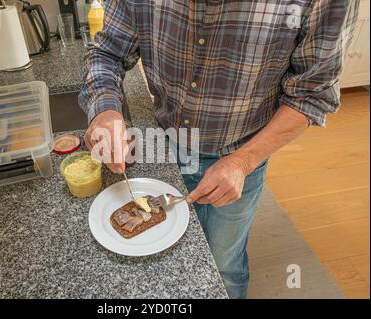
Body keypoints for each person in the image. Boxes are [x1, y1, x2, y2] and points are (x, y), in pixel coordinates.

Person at [79, 0, 358, 298]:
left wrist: (243, 162)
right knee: (166, 259)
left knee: (223, 265)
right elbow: (107, 52)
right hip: (166, 140)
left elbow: (310, 96)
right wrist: (105, 111)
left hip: (240, 150)